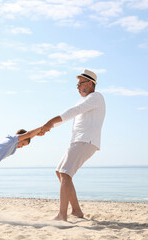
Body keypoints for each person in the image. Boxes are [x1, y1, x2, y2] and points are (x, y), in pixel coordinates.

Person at [39, 69, 106, 221]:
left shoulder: (96, 96)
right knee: (60, 172)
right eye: (77, 84)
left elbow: (73, 111)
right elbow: (71, 116)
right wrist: (49, 127)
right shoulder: (85, 100)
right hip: (78, 141)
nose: (77, 86)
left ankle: (62, 215)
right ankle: (76, 211)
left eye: (80, 83)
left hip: (86, 140)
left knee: (65, 174)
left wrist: (49, 122)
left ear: (90, 83)